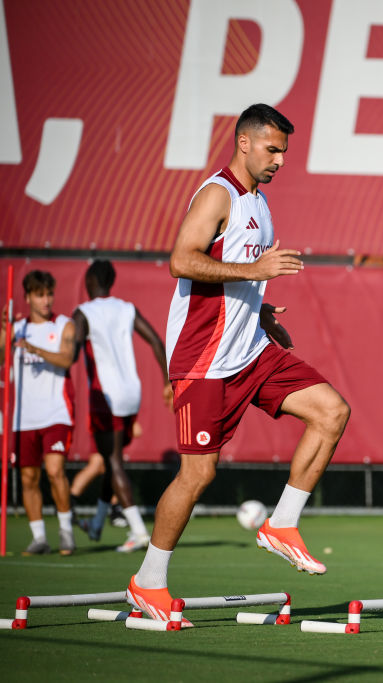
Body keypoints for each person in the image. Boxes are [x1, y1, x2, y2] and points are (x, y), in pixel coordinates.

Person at [127, 103, 351, 623]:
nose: (279, 160)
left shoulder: (260, 202)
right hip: (205, 360)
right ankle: (148, 582)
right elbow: (182, 260)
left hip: (250, 348)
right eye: (272, 149)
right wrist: (255, 268)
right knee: (198, 475)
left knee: (331, 411)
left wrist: (262, 309)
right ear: (244, 142)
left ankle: (282, 524)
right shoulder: (217, 193)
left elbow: (236, 278)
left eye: (284, 152)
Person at [73, 259, 173, 552]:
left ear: (90, 281)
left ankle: (139, 531)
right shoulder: (126, 308)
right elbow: (156, 342)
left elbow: (73, 347)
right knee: (110, 459)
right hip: (132, 392)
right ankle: (98, 523)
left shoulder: (84, 312)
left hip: (105, 396)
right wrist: (168, 382)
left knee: (113, 460)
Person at [0, 271, 76, 555]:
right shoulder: (17, 327)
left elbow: (67, 358)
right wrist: (5, 327)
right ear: (28, 297)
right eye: (40, 295)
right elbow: (0, 356)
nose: (46, 300)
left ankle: (66, 531)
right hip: (24, 417)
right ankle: (39, 537)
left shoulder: (64, 325)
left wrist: (34, 348)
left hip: (56, 412)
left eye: (49, 294)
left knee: (55, 471)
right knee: (29, 479)